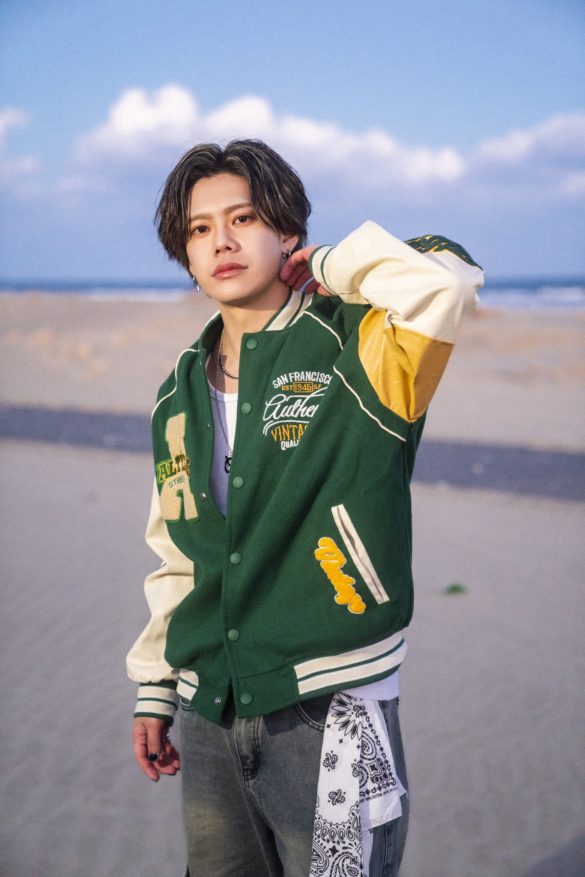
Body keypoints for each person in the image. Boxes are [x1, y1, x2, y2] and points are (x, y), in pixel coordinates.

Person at [126, 139, 483, 876]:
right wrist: (156, 686)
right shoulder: (176, 393)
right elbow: (178, 552)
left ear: (286, 227)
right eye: (199, 229)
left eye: (244, 218)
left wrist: (327, 265)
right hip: (208, 707)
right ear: (184, 254)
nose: (221, 241)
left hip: (334, 706)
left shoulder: (363, 344)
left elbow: (446, 280)